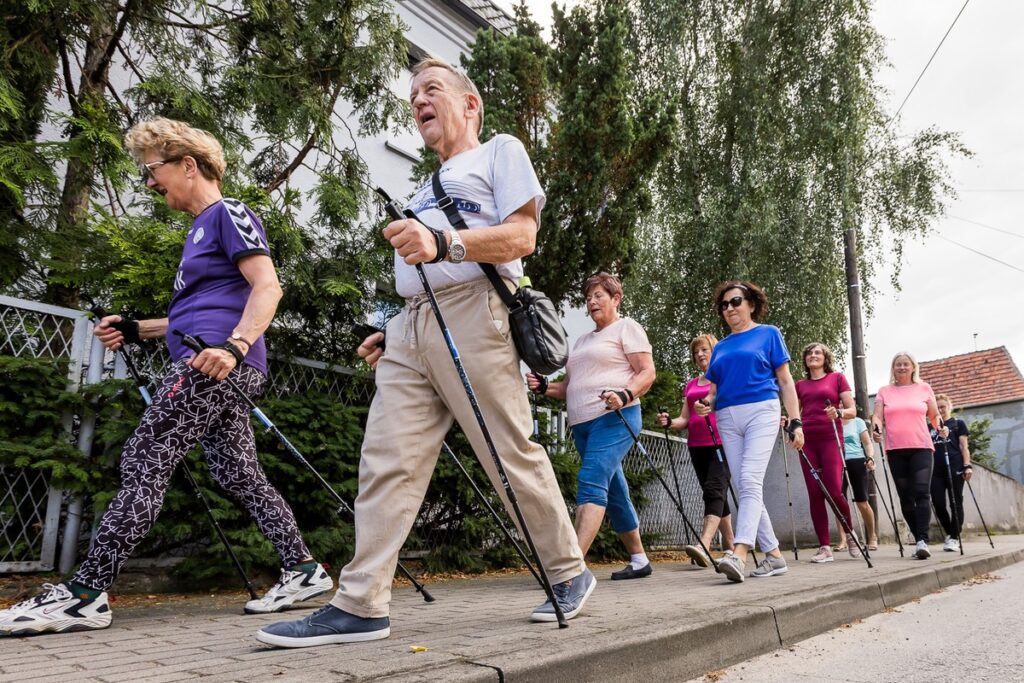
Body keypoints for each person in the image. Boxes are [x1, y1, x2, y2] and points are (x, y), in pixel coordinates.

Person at [256, 57, 591, 648]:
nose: (418, 101)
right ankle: (360, 604)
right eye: (412, 96)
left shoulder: (500, 151)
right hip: (412, 326)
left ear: (470, 103)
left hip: (476, 313)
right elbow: (420, 271)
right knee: (387, 459)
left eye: (431, 89)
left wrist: (444, 241)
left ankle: (568, 571)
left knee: (506, 451)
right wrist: (394, 328)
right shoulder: (420, 182)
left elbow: (522, 237)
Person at [0, 118, 331, 637]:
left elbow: (267, 286)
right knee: (238, 474)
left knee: (145, 453)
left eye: (152, 170)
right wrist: (138, 330)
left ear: (188, 165)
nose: (149, 182)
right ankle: (303, 569)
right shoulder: (200, 230)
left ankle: (85, 594)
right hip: (213, 359)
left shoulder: (230, 213)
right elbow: (202, 308)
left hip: (215, 364)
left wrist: (235, 347)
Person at [526, 273, 655, 580]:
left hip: (615, 419)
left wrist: (624, 394)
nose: (592, 301)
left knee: (590, 480)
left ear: (616, 298)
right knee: (614, 491)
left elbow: (647, 373)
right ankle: (639, 560)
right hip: (583, 427)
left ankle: (571, 567)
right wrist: (545, 387)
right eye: (588, 297)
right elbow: (570, 387)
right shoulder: (583, 341)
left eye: (599, 295)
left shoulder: (627, 328)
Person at [694, 281, 803, 583]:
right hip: (727, 417)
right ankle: (775, 557)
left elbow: (785, 380)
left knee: (749, 479)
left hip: (762, 410)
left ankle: (739, 552)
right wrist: (706, 403)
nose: (729, 308)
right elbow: (714, 390)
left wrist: (795, 420)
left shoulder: (768, 333)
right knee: (743, 487)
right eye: (724, 305)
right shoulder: (722, 347)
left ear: (751, 304)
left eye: (736, 301)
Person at [657, 334, 735, 567]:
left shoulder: (724, 378)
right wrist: (669, 422)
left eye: (704, 350)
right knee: (717, 495)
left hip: (721, 442)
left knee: (713, 490)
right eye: (696, 352)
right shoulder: (691, 384)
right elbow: (685, 418)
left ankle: (704, 545)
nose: (699, 354)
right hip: (696, 446)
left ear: (714, 351)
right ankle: (731, 547)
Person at [871, 352, 947, 560]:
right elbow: (877, 415)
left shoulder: (924, 388)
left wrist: (941, 427)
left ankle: (922, 541)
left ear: (913, 367)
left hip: (921, 447)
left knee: (922, 492)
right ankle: (917, 536)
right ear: (893, 369)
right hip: (896, 449)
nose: (902, 368)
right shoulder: (884, 391)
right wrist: (876, 429)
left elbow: (934, 415)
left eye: (906, 364)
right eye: (898, 365)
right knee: (906, 497)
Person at [794, 343, 859, 563]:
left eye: (817, 352)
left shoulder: (837, 378)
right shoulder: (799, 385)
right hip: (807, 442)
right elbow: (796, 412)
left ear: (825, 358)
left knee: (833, 489)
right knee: (814, 492)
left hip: (831, 438)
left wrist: (839, 412)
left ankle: (850, 533)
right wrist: (790, 425)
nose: (813, 355)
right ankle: (824, 547)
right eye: (809, 353)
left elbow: (852, 410)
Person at [930, 394, 972, 552]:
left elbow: (964, 447)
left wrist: (967, 465)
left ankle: (955, 537)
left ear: (949, 407)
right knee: (938, 502)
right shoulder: (931, 426)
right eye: (937, 407)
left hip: (955, 466)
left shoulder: (957, 423)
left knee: (955, 502)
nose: (940, 409)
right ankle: (950, 532)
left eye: (943, 406)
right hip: (936, 469)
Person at [836, 413, 878, 551]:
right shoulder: (832, 422)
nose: (841, 405)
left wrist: (870, 457)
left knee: (862, 502)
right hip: (837, 462)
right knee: (839, 501)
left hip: (857, 461)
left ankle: (872, 537)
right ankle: (843, 539)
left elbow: (867, 443)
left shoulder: (857, 421)